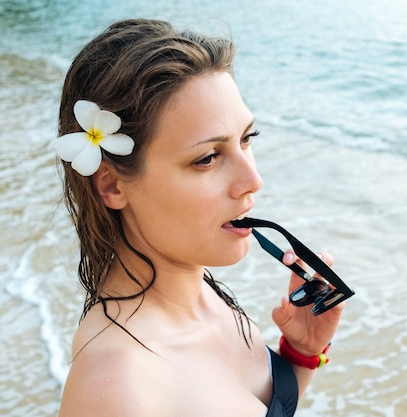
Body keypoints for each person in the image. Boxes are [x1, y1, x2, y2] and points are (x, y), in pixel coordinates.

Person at [55, 18, 344, 417]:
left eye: (247, 139)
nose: (253, 180)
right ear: (112, 186)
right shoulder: (118, 389)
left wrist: (302, 354)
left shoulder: (209, 301)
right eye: (207, 158)